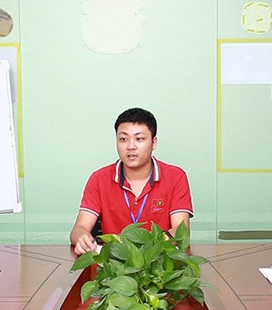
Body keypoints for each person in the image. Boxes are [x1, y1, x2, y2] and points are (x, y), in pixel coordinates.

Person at [70, 107, 193, 255]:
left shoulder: (175, 176)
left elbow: (181, 231)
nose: (130, 146)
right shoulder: (99, 179)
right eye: (123, 139)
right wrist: (82, 238)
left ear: (154, 143)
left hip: (160, 267)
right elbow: (79, 229)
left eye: (139, 139)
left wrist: (145, 250)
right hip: (114, 268)